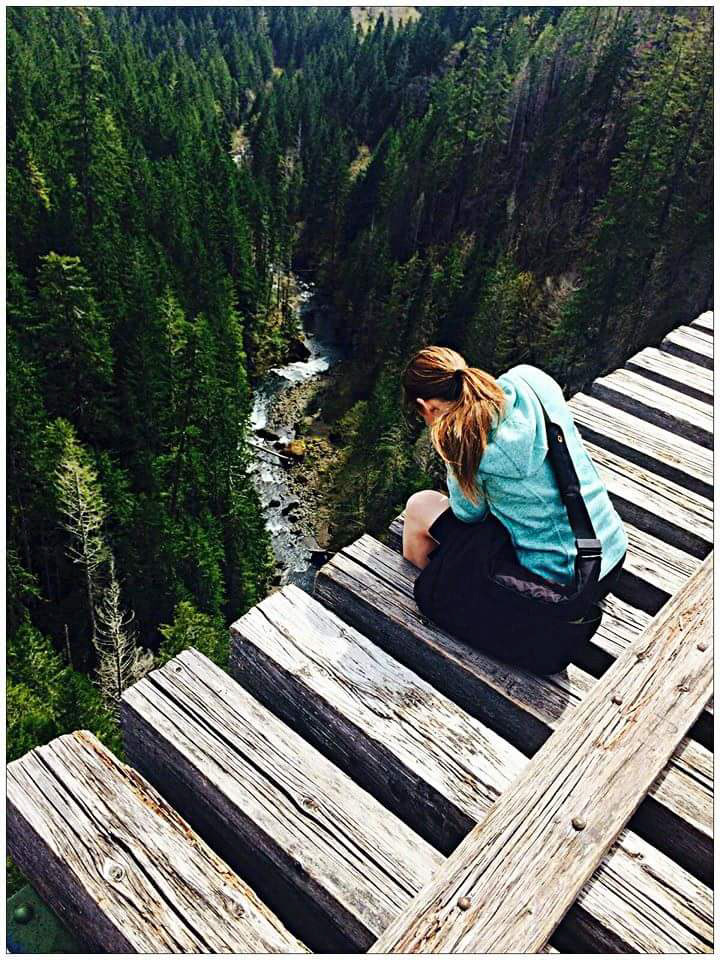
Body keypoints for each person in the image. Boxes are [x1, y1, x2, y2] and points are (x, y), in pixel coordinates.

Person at [401, 346, 628, 674]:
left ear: (427, 406)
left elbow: (468, 515)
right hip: (610, 551)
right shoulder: (529, 379)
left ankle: (436, 586)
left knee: (420, 506)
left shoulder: (466, 444)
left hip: (558, 587)